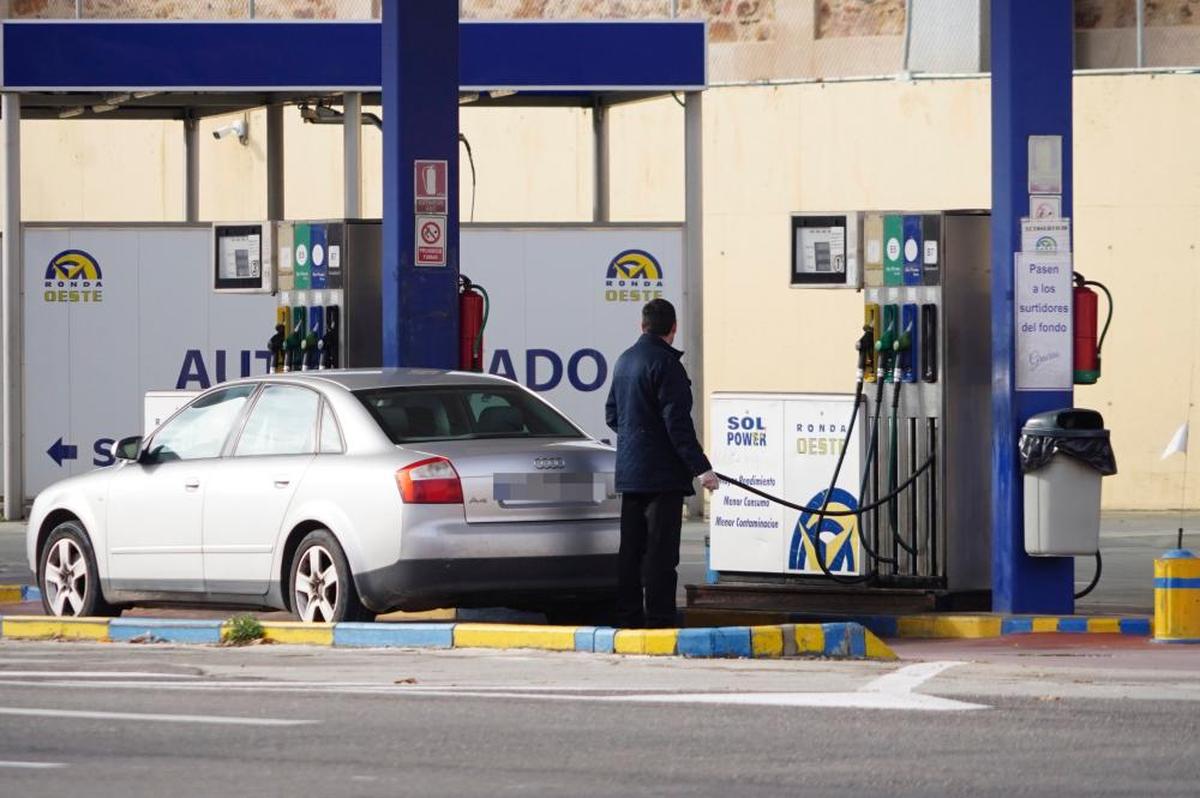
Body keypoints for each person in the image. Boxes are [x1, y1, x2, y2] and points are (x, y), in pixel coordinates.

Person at [605, 298, 719, 628]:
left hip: (629, 473)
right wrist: (702, 468)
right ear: (673, 329)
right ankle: (659, 617)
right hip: (662, 478)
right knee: (660, 553)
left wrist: (638, 439)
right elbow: (678, 425)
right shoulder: (668, 366)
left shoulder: (624, 361)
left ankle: (627, 616)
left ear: (642, 326)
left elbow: (612, 415)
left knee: (631, 551)